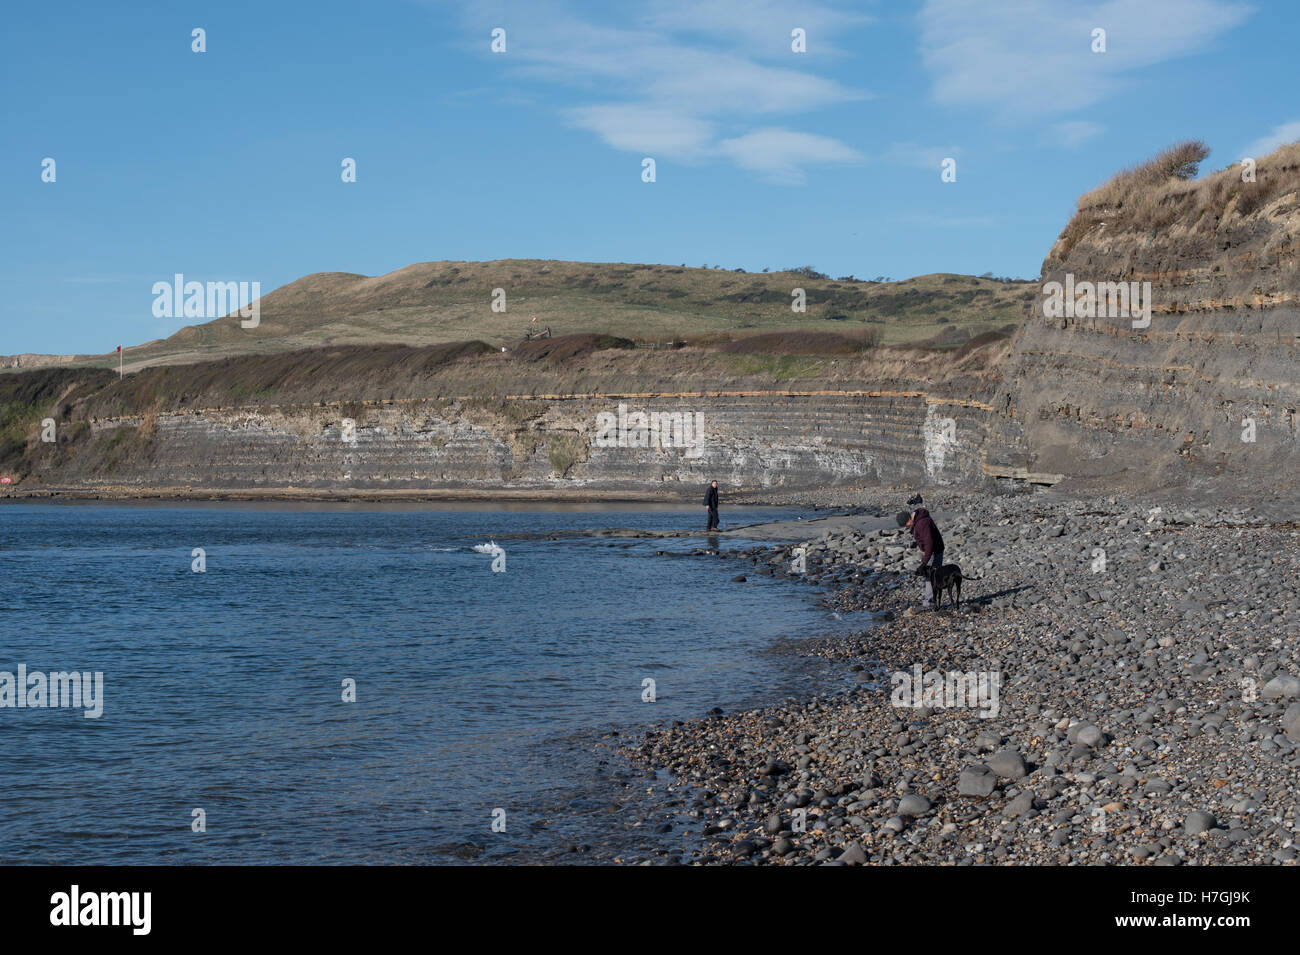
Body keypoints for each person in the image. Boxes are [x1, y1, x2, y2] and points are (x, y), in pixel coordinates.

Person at [898, 494, 943, 608]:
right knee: (932, 575)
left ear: (909, 520)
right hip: (934, 549)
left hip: (934, 551)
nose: (907, 527)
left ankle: (929, 603)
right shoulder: (919, 519)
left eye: (906, 525)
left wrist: (924, 562)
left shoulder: (921, 524)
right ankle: (932, 601)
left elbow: (929, 543)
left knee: (930, 576)